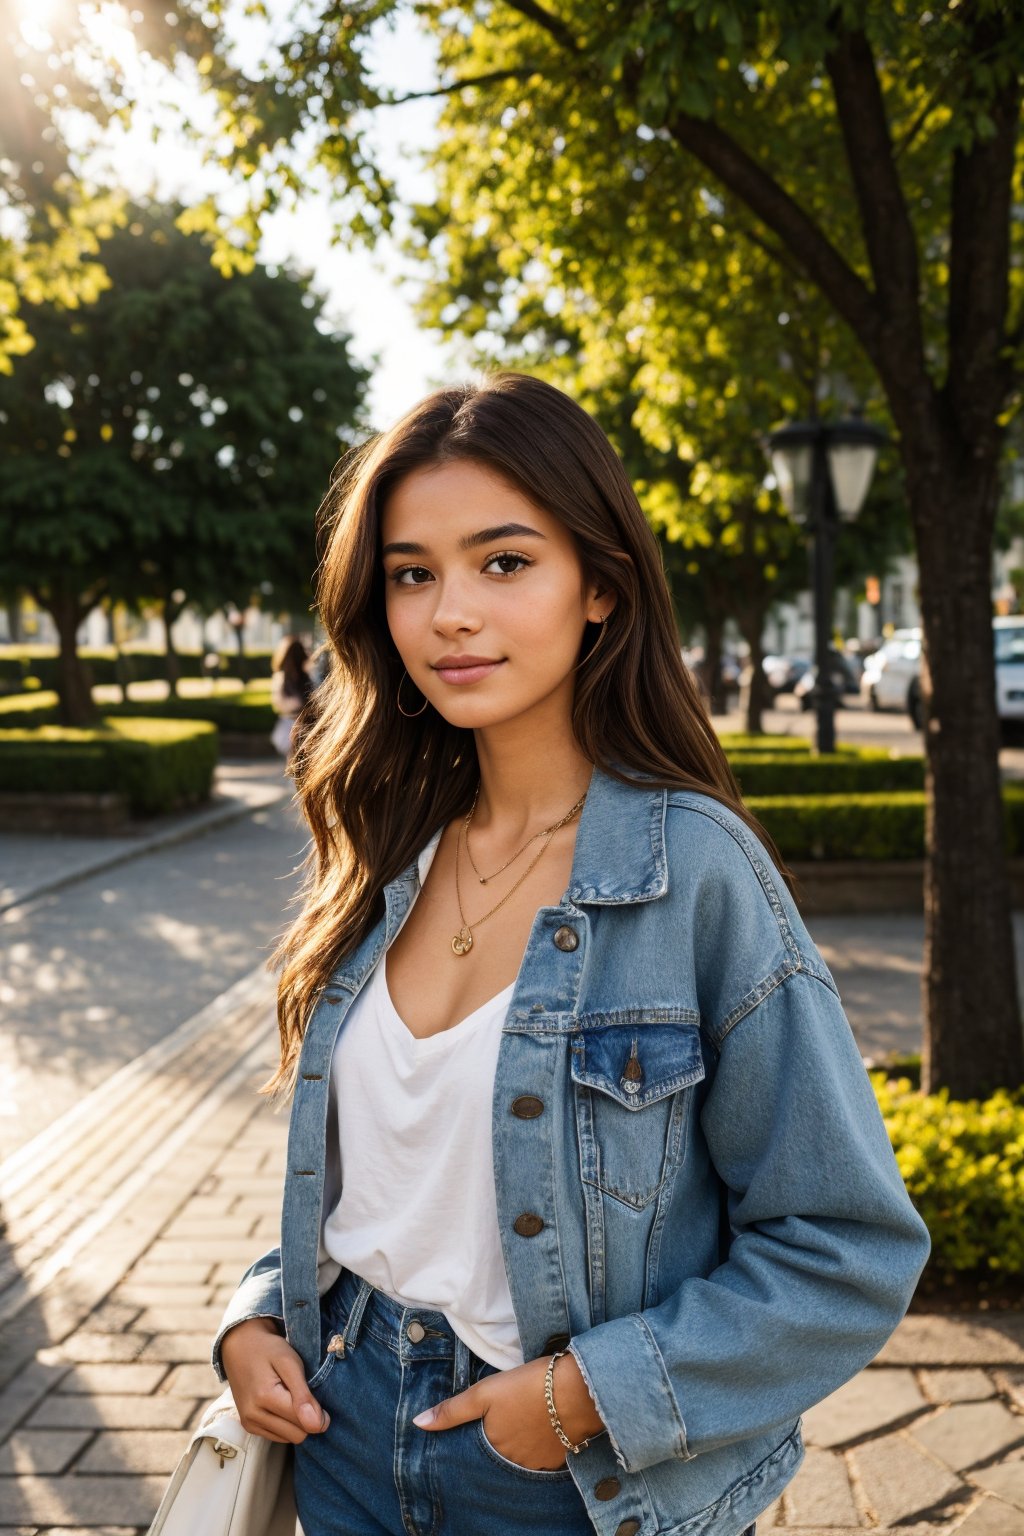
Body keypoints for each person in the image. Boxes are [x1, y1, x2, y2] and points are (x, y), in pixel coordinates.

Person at [212, 373, 930, 1536]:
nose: (450, 612)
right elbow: (382, 1193)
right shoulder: (385, 851)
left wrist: (576, 1399)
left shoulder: (694, 873)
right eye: (412, 573)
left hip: (560, 1479)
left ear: (598, 585)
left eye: (503, 562)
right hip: (340, 1433)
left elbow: (846, 1247)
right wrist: (253, 1321)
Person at [270, 634, 313, 766]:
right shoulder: (282, 679)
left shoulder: (305, 677)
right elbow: (279, 703)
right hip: (290, 726)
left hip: (303, 726)